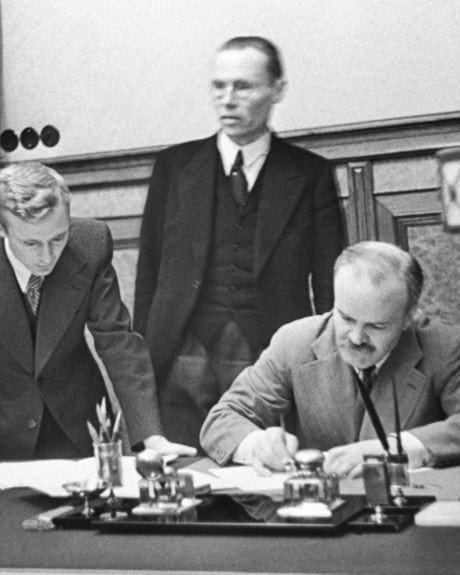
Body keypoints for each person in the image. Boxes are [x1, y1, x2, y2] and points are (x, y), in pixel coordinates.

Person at [0, 162, 194, 478]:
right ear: (1, 229)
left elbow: (119, 341)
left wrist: (150, 436)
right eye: (32, 243)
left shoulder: (90, 243)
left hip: (81, 431)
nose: (47, 257)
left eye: (58, 239)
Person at [135, 36, 346, 449]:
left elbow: (329, 282)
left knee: (266, 472)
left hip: (270, 358)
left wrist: (328, 368)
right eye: (219, 86)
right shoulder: (174, 168)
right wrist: (144, 362)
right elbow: (149, 273)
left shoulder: (310, 174)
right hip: (180, 358)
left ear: (277, 90)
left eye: (243, 86)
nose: (227, 99)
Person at [200, 242, 460, 477]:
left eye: (376, 326)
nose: (356, 337)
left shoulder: (440, 345)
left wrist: (395, 448)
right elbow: (223, 418)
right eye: (346, 317)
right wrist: (257, 444)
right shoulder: (294, 342)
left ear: (408, 317)